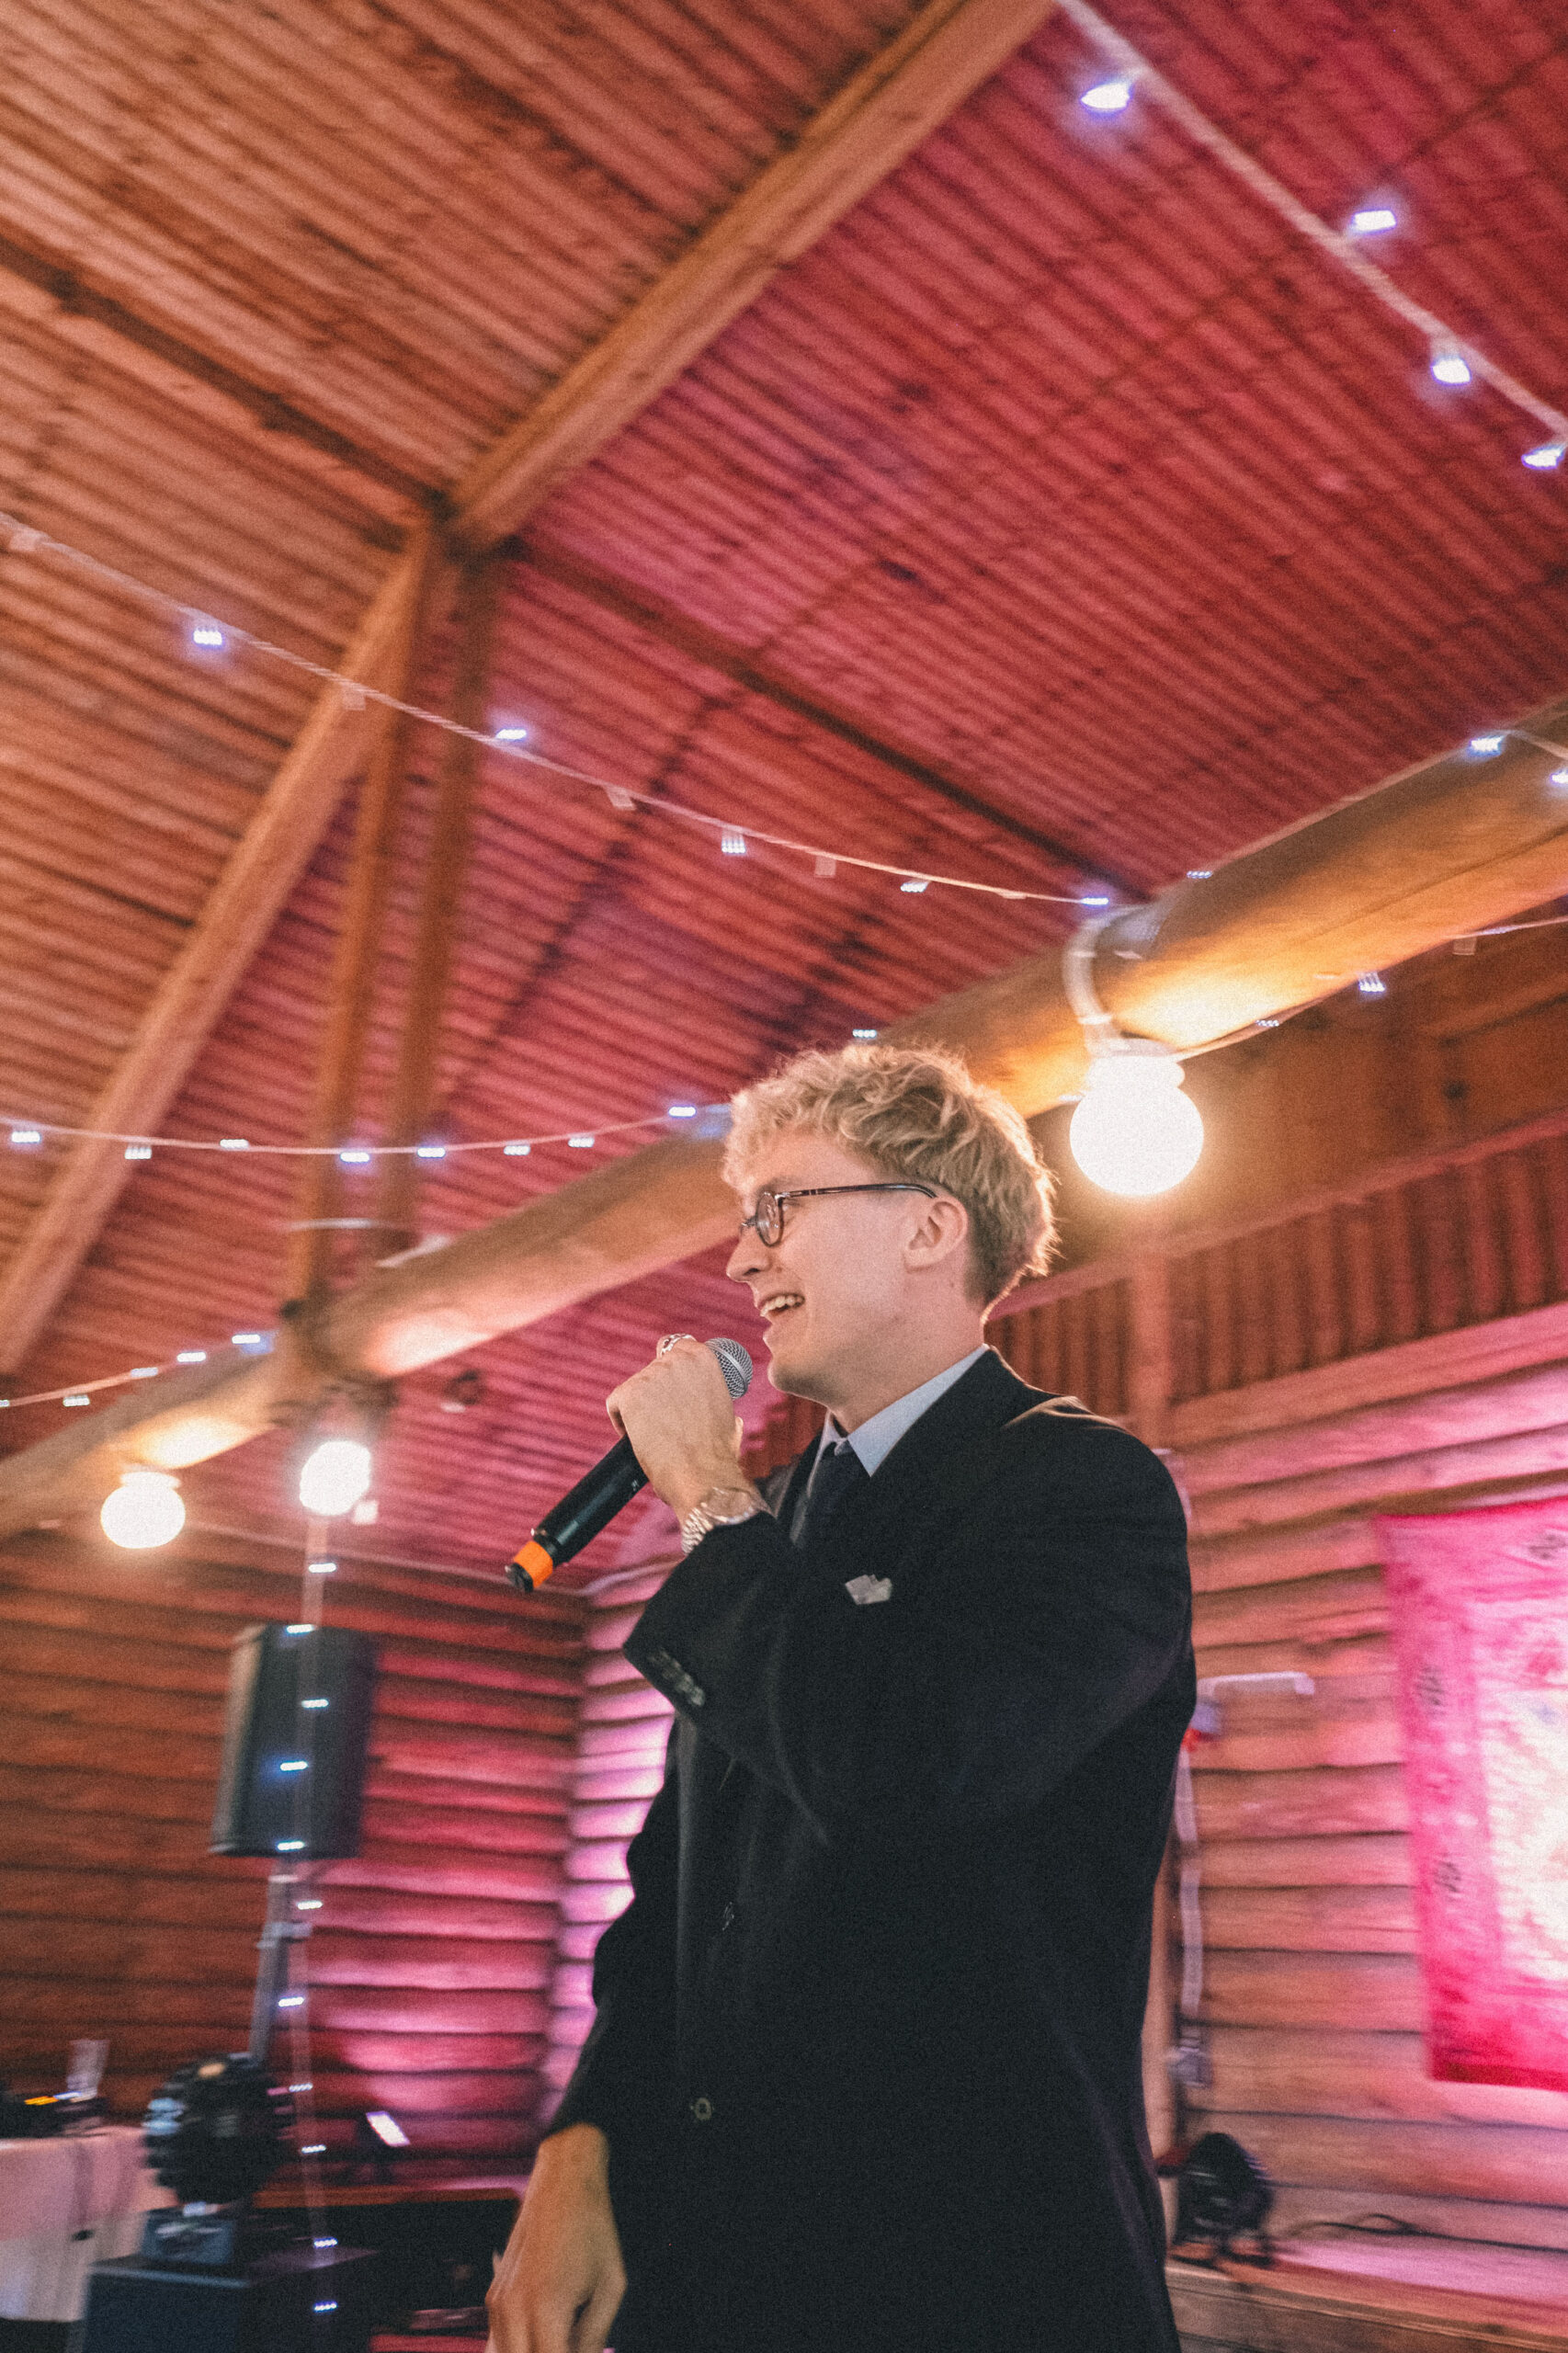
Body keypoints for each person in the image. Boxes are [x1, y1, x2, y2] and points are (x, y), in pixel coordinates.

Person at [487, 1043, 1195, 2353]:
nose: (739, 1260)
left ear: (930, 1226)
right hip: (710, 2268)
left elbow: (907, 1769)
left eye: (778, 1207)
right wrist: (581, 2145)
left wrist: (709, 1498)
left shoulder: (1082, 1490)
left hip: (967, 2271)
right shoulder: (766, 1526)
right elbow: (674, 1891)